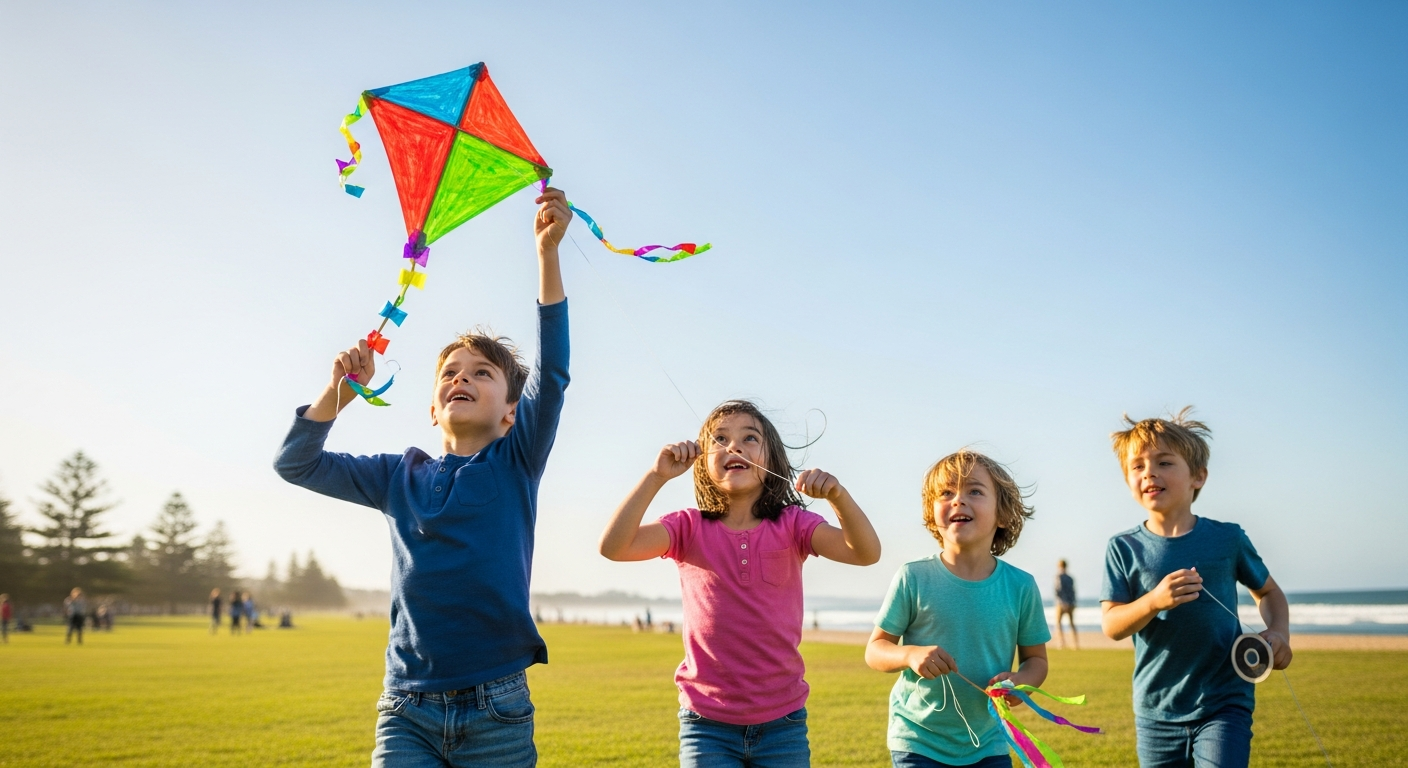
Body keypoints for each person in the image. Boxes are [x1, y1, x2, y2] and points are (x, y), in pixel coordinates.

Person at [275, 188, 571, 768]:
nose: (461, 378)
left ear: (511, 411)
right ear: (433, 409)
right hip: (405, 709)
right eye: (450, 373)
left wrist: (546, 252)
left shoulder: (515, 462)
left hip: (497, 708)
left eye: (482, 373)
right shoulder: (396, 476)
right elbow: (296, 464)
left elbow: (553, 372)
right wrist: (335, 396)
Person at [599, 399, 882, 768]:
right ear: (701, 462)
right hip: (706, 724)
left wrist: (837, 496)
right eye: (719, 439)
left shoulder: (793, 524)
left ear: (772, 460)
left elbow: (864, 552)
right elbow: (614, 547)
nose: (733, 446)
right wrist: (656, 476)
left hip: (783, 723)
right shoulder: (687, 527)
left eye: (750, 438)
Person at [1100, 409, 1292, 767]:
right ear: (1128, 481)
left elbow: (1269, 593)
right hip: (1156, 710)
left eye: (1164, 462)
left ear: (1198, 477)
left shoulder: (1227, 538)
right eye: (1137, 466)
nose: (1149, 472)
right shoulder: (1123, 547)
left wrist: (1279, 632)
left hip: (1224, 702)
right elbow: (1111, 625)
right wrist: (1154, 601)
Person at [865, 450, 1050, 768]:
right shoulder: (913, 577)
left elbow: (1036, 660)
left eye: (974, 491)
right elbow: (876, 649)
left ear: (1002, 514)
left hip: (990, 742)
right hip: (918, 740)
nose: (958, 500)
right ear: (932, 512)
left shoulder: (1020, 586)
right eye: (946, 492)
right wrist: (910, 655)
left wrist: (1020, 684)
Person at [1054, 559, 1079, 650]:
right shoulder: (1070, 578)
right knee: (1072, 623)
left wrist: (1063, 602)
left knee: (1058, 623)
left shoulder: (1058, 577)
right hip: (1071, 603)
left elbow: (1058, 591)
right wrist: (1072, 602)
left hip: (1061, 603)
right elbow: (1073, 592)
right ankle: (1075, 644)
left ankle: (1061, 643)